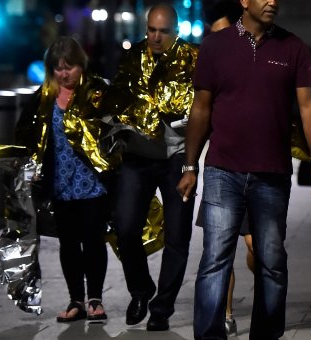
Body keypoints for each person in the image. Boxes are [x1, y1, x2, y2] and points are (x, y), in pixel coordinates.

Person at [176, 0, 311, 338]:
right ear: (244, 0)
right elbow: (200, 109)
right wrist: (190, 165)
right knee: (215, 261)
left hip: (271, 175)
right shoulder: (217, 45)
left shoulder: (292, 47)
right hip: (222, 172)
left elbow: (308, 106)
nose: (273, 1)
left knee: (272, 263)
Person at [102, 3, 199, 331]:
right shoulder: (132, 59)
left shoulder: (192, 60)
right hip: (137, 157)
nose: (156, 37)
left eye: (164, 31)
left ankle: (162, 309)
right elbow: (116, 99)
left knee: (178, 237)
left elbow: (203, 107)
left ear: (176, 31)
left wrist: (191, 160)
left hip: (177, 158)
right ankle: (141, 290)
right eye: (151, 30)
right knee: (126, 227)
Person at [15, 36, 111, 322]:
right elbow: (26, 137)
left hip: (92, 183)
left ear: (81, 65)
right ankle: (75, 301)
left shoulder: (97, 93)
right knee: (68, 243)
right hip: (60, 184)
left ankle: (95, 299)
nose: (64, 73)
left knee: (94, 240)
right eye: (58, 68)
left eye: (69, 67)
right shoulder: (41, 99)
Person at [200, 0, 255, 336]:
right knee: (220, 250)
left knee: (258, 249)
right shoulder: (208, 53)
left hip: (257, 168)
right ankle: (226, 313)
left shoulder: (251, 51)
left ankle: (261, 290)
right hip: (222, 167)